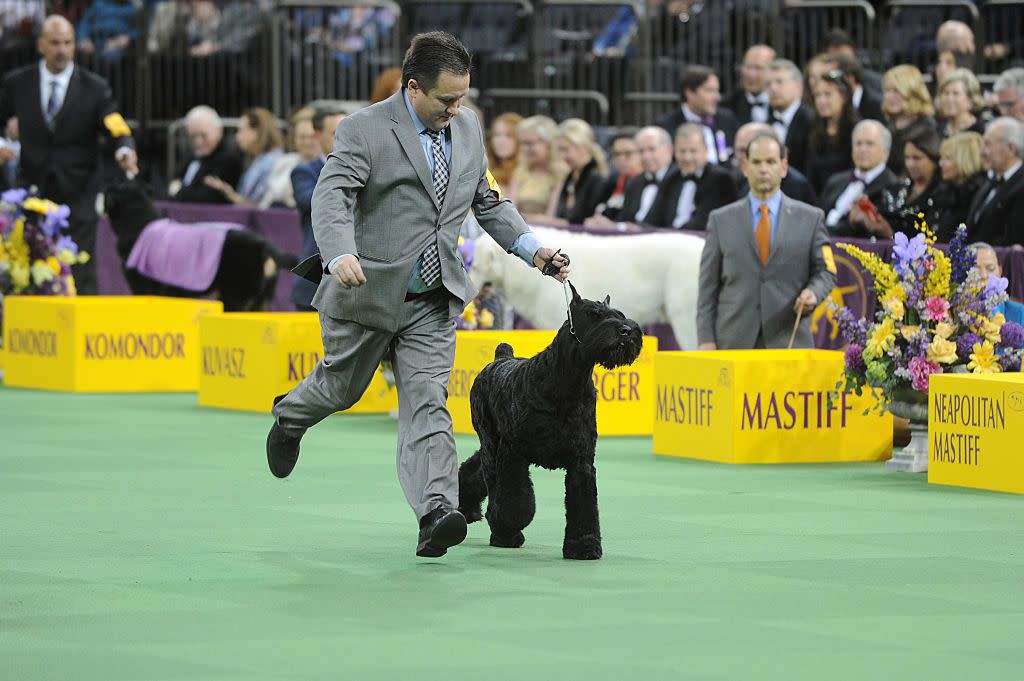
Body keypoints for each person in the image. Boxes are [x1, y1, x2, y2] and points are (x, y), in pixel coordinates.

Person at [267, 32, 570, 558]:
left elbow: (489, 200)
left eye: (463, 98)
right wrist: (338, 253)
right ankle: (290, 417)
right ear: (412, 87)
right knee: (340, 390)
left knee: (428, 402)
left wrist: (533, 250)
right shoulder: (363, 129)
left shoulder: (468, 128)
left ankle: (436, 511)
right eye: (446, 100)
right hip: (363, 291)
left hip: (432, 297)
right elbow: (332, 194)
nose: (457, 109)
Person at [0, 14, 138, 294]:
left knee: (80, 268)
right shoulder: (17, 83)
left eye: (67, 43)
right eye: (54, 43)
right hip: (32, 191)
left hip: (79, 194)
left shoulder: (95, 87)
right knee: (29, 265)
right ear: (40, 45)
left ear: (74, 46)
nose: (61, 50)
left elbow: (114, 123)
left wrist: (125, 147)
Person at [697, 132, 835, 350]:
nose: (763, 169)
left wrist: (813, 293)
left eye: (770, 161)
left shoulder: (811, 218)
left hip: (789, 341)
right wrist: (705, 339)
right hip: (732, 342)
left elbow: (827, 271)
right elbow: (707, 289)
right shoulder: (720, 220)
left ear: (784, 167)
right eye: (756, 162)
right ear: (744, 167)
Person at [290, 102, 347, 311]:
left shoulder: (366, 171)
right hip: (314, 283)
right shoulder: (304, 173)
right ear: (317, 135)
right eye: (334, 133)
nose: (343, 138)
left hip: (353, 283)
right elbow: (314, 202)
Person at [818, 120, 901, 238]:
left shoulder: (892, 187)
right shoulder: (835, 181)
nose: (862, 149)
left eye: (869, 144)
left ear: (885, 151)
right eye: (858, 143)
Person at [646, 123, 736, 230]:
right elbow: (652, 218)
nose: (687, 157)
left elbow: (703, 223)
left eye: (693, 151)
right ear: (674, 151)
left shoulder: (720, 179)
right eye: (682, 151)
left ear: (706, 151)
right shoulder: (671, 178)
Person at [586, 126, 674, 230]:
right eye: (641, 151)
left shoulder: (678, 179)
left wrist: (621, 227)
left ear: (669, 149)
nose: (646, 156)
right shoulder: (634, 183)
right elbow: (624, 218)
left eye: (652, 149)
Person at [527, 118, 608, 226]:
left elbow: (586, 223)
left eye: (565, 150)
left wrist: (547, 221)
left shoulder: (597, 180)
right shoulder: (569, 178)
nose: (562, 156)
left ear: (582, 148)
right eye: (560, 150)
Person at [656, 65, 740, 166]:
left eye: (717, 91)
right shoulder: (666, 126)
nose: (717, 97)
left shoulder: (727, 120)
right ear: (690, 93)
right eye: (710, 91)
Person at [203, 107, 284, 206]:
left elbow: (261, 206)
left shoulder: (273, 163)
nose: (237, 137)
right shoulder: (258, 160)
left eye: (241, 130)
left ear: (256, 132)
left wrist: (231, 195)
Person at [966, 117, 1024, 246]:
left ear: (1011, 149)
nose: (982, 152)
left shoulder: (1021, 186)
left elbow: (1013, 242)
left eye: (988, 144)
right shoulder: (989, 183)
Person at [170, 105, 245, 204]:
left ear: (219, 131)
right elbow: (172, 184)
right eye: (193, 136)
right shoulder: (191, 156)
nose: (198, 142)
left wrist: (178, 191)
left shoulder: (229, 159)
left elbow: (207, 198)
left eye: (203, 135)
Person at [731, 122, 815, 205]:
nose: (741, 156)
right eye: (738, 150)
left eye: (745, 151)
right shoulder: (733, 180)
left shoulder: (797, 186)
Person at [806, 68, 859, 195]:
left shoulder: (857, 130)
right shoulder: (812, 128)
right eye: (817, 95)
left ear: (844, 97)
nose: (821, 101)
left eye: (828, 94)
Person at [881, 65, 937, 176]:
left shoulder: (927, 129)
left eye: (896, 90)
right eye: (887, 90)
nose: (889, 96)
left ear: (913, 92)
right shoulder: (888, 125)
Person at [260, 105, 318, 209]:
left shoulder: (328, 166)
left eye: (312, 136)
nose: (307, 142)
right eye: (302, 137)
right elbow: (266, 201)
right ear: (294, 138)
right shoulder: (283, 162)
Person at [506, 115, 564, 216]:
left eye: (529, 143)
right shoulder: (521, 171)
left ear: (548, 143)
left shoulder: (560, 173)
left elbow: (551, 216)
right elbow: (511, 211)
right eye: (522, 143)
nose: (524, 148)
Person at [934, 131, 986, 242]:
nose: (940, 163)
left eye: (947, 158)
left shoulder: (978, 193)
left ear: (965, 159)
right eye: (941, 158)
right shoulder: (946, 190)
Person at [765, 59, 814, 174]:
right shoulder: (766, 124)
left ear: (798, 87)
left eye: (779, 82)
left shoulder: (811, 121)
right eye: (768, 84)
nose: (773, 88)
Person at [722, 44, 776, 126]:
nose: (751, 74)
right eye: (747, 67)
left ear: (773, 71)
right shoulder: (728, 106)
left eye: (758, 68)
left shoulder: (782, 104)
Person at [974, 243, 1024, 326]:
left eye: (990, 268)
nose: (983, 275)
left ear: (1000, 271)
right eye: (975, 269)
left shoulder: (1019, 313)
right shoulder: (953, 312)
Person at [596, 132, 641, 221]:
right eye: (616, 154)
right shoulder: (612, 182)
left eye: (628, 153)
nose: (621, 159)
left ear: (641, 153)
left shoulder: (645, 185)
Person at [938, 69, 986, 138]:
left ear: (970, 99)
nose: (949, 99)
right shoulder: (938, 130)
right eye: (946, 93)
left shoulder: (981, 132)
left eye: (955, 93)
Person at [485, 112, 522, 191]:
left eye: (508, 135)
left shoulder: (524, 172)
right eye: (497, 135)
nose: (500, 141)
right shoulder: (485, 168)